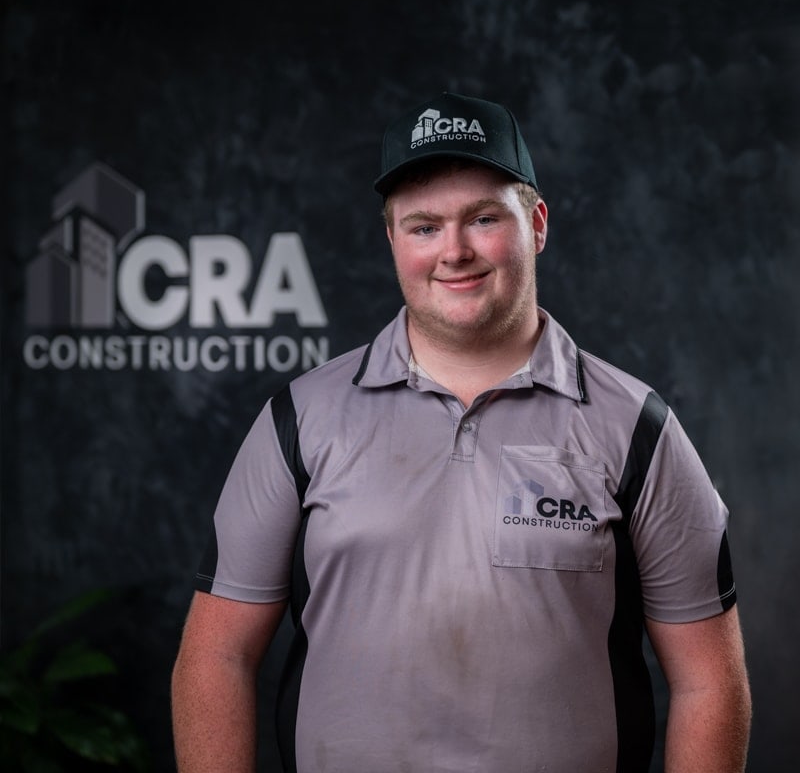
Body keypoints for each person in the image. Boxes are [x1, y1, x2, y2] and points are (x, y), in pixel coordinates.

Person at [171, 92, 752, 772]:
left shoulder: (635, 428)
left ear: (535, 224)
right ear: (392, 239)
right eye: (423, 226)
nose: (454, 251)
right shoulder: (301, 420)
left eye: (483, 219)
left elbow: (709, 679)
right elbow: (216, 656)